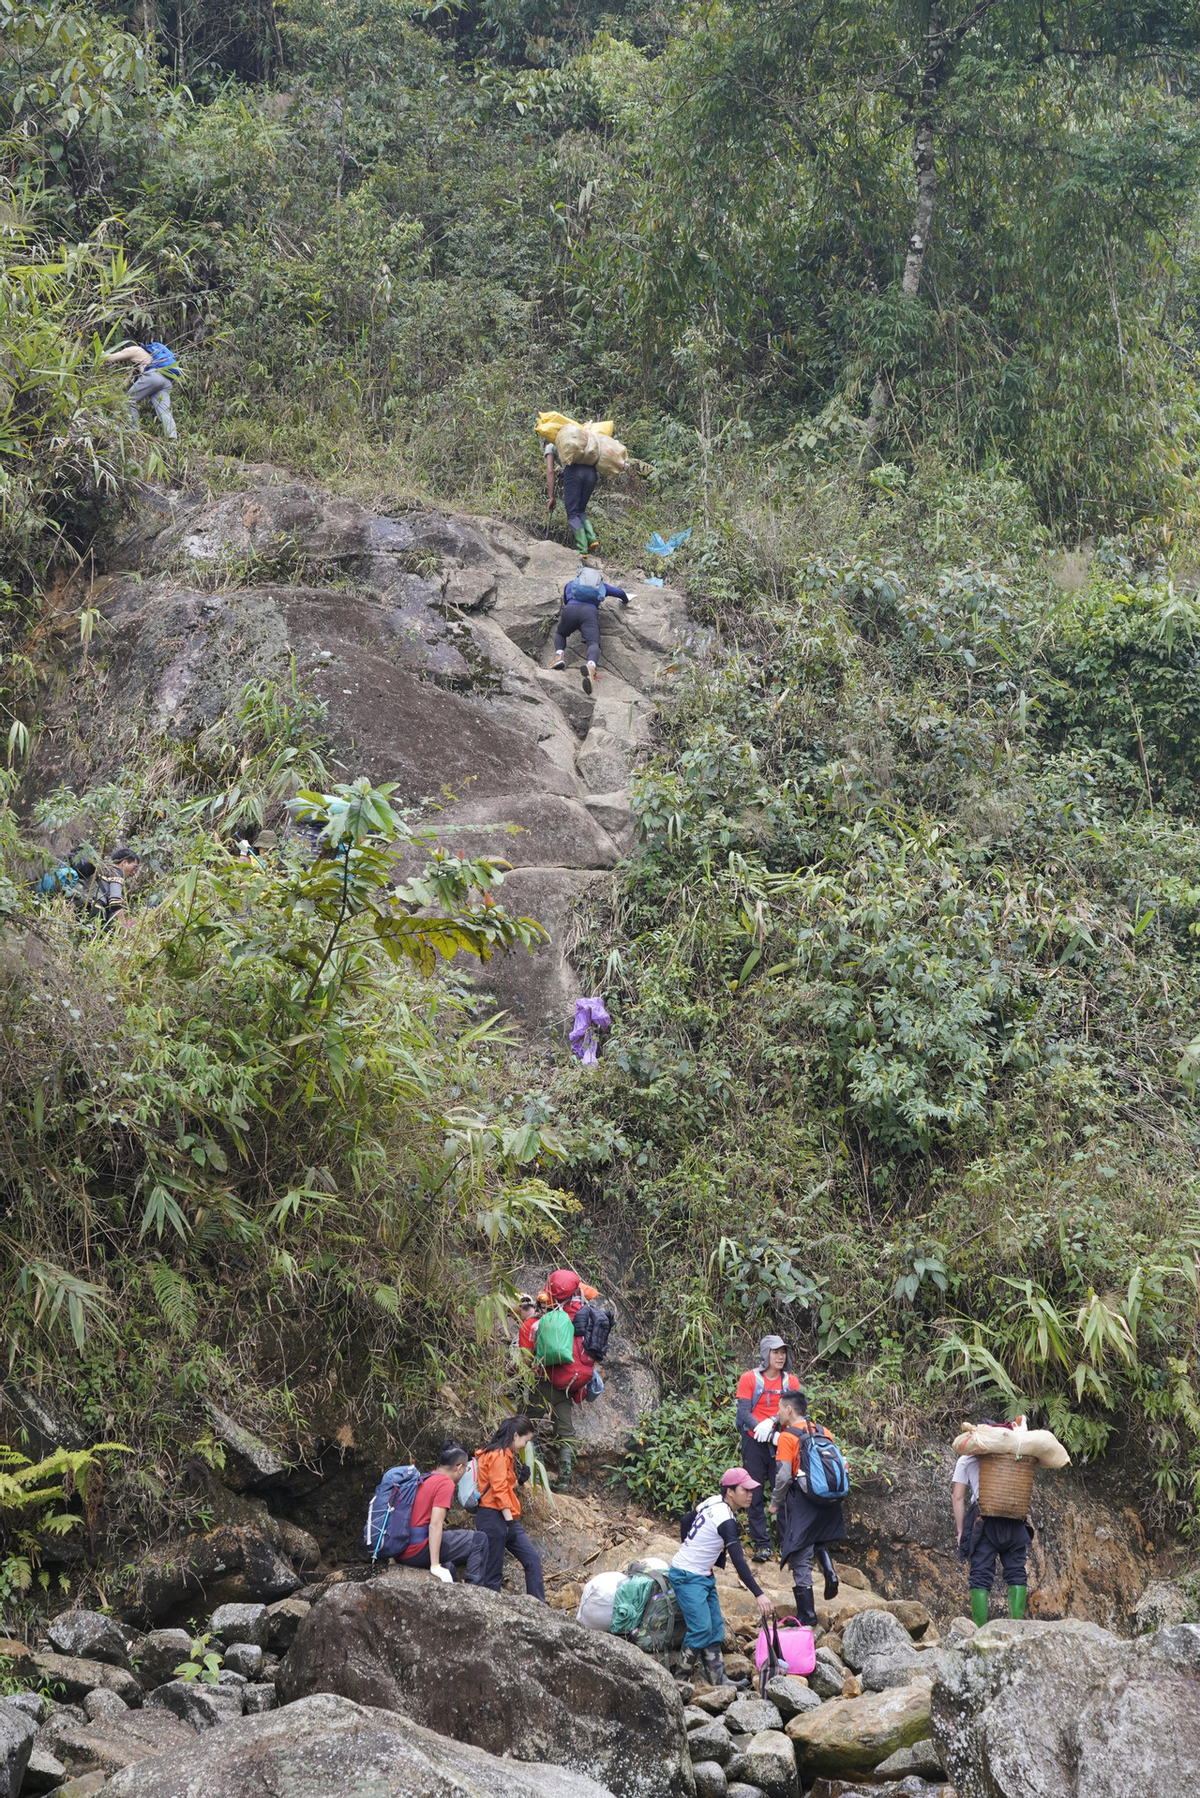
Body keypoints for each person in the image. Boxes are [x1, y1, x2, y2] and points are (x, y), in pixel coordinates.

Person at [669, 1468, 774, 1686]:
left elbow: (686, 1520)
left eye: (751, 1490)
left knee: (716, 1627)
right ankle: (679, 1682)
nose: (751, 1494)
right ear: (730, 1492)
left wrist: (692, 1547)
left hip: (703, 1575)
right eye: (745, 1490)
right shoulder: (726, 1519)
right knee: (700, 1629)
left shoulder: (713, 1501)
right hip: (687, 1576)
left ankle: (718, 1680)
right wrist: (759, 1594)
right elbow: (739, 1562)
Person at [769, 1388, 846, 1628]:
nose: (778, 1413)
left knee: (799, 1553)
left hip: (802, 1500)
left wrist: (775, 1502)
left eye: (779, 1409)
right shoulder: (823, 1431)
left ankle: (807, 1614)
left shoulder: (787, 1437)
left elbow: (783, 1476)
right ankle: (829, 1572)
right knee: (818, 1538)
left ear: (789, 1409)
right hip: (828, 1498)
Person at [735, 1336, 804, 1562]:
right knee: (754, 1492)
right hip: (754, 1441)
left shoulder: (791, 1382)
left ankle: (787, 1545)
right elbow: (743, 1411)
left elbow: (795, 1411)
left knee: (783, 1491)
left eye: (783, 1352)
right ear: (766, 1354)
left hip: (781, 1441)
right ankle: (762, 1544)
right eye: (775, 1352)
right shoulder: (749, 1378)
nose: (780, 1356)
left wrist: (773, 1427)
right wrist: (759, 1428)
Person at [532, 1267, 600, 1492]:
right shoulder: (583, 1313)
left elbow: (534, 1350)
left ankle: (536, 1475)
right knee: (566, 1433)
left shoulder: (549, 1316)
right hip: (568, 1384)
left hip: (544, 1381)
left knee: (524, 1423)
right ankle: (563, 1481)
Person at [953, 1448, 1031, 1626]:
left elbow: (958, 1497)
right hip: (1013, 1518)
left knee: (980, 1573)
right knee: (1016, 1571)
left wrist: (961, 1531)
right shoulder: (1015, 1454)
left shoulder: (966, 1459)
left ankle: (981, 1631)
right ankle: (1017, 1627)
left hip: (982, 1520)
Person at [395, 1441, 488, 1585]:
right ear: (459, 1467)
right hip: (416, 1550)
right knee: (479, 1540)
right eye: (466, 1469)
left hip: (401, 1550)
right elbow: (435, 1525)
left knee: (450, 1567)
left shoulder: (426, 1478)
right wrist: (435, 1565)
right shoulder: (445, 1483)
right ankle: (475, 1591)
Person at [474, 1416, 546, 1601]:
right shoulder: (498, 1454)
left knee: (532, 1559)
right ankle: (491, 1611)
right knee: (493, 1572)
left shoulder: (504, 1454)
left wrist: (519, 1481)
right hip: (493, 1516)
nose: (524, 1445)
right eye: (525, 1440)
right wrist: (510, 1523)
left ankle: (539, 1607)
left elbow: (502, 1486)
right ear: (515, 1435)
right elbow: (498, 1491)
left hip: (503, 1516)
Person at [549, 567, 630, 696]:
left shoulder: (571, 584)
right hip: (589, 613)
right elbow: (620, 592)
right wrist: (625, 600)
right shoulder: (601, 586)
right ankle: (591, 665)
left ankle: (559, 656)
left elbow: (566, 599)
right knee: (593, 643)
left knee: (561, 633)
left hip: (570, 609)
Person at [103, 340, 181, 439]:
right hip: (166, 380)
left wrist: (99, 350)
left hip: (153, 376)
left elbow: (109, 358)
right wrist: (114, 392)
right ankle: (172, 438)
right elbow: (128, 381)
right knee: (164, 411)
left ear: (125, 346)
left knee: (128, 400)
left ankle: (135, 431)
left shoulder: (133, 349)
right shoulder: (145, 357)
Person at [545, 434, 599, 554]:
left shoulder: (550, 446)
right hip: (591, 473)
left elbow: (550, 470)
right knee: (580, 510)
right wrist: (564, 473)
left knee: (573, 514)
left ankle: (582, 549)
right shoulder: (574, 441)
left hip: (574, 473)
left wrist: (551, 497)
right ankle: (592, 538)